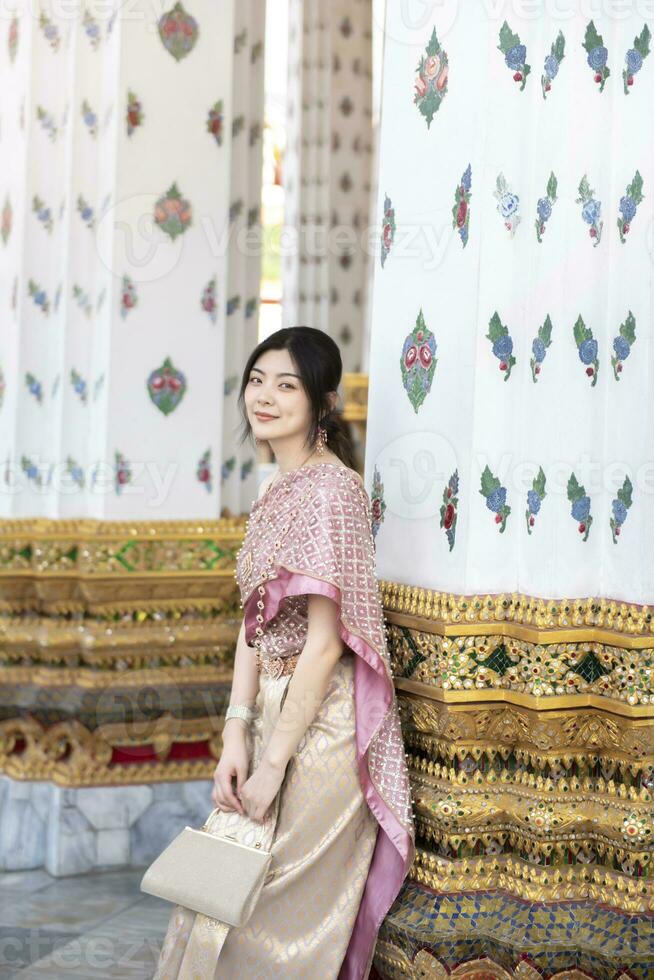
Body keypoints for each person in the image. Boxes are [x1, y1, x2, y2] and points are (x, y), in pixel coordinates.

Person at [153, 327, 415, 980]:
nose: (265, 396)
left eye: (287, 384)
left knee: (265, 914)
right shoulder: (273, 490)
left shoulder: (335, 491)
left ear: (323, 403)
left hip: (322, 727)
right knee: (211, 891)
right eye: (257, 379)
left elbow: (325, 644)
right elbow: (253, 624)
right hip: (268, 708)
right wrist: (235, 735)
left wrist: (274, 763)